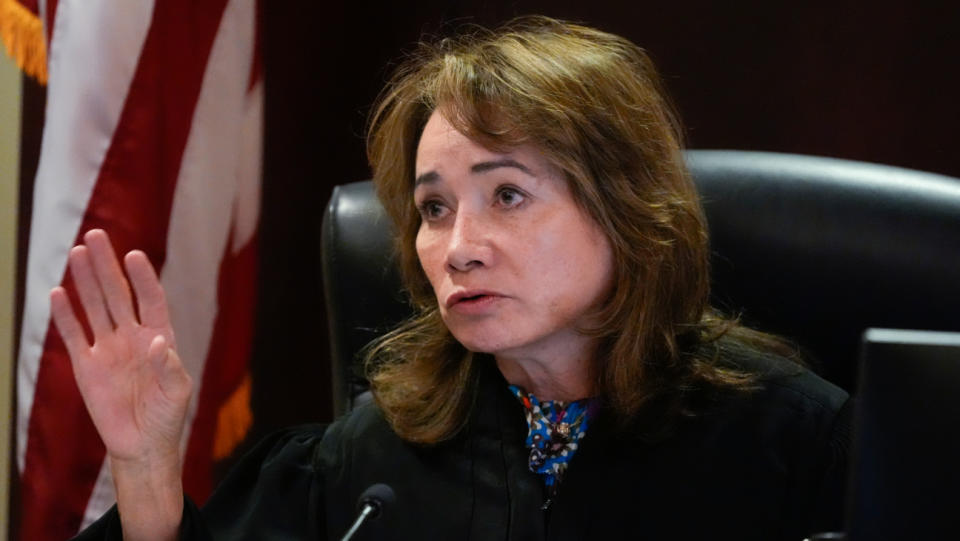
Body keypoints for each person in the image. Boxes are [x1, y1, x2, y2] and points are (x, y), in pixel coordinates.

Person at [64, 16, 850, 541]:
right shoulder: (373, 461)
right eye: (433, 207)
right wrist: (144, 467)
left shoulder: (796, 444)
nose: (459, 246)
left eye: (507, 194)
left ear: (626, 210)